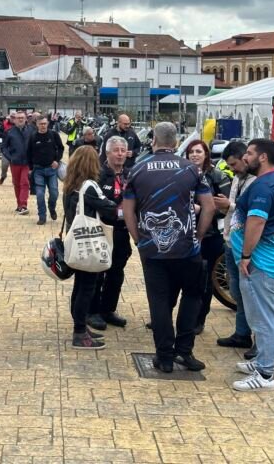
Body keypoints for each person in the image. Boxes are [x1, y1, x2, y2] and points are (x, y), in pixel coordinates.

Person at [123, 122, 215, 374]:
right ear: (176, 143)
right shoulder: (191, 169)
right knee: (192, 297)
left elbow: (128, 211)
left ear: (153, 140)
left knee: (159, 302)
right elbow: (209, 207)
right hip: (187, 248)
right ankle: (184, 351)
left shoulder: (137, 169)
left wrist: (138, 240)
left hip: (152, 249)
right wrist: (198, 236)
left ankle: (164, 357)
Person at [230, 139, 274, 392]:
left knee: (263, 318)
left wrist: (245, 255)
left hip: (261, 262)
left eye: (250, 153)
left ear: (263, 157)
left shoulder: (263, 187)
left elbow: (256, 221)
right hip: (271, 258)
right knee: (266, 315)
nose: (245, 157)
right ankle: (261, 361)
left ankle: (265, 374)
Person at [63, 146, 118, 349]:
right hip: (89, 244)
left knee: (79, 286)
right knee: (87, 288)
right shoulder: (90, 186)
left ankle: (80, 328)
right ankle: (79, 332)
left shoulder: (70, 185)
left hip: (75, 241)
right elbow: (110, 208)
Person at [186, 139, 232, 334]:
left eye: (199, 151)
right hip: (185, 236)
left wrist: (205, 209)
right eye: (191, 152)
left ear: (206, 154)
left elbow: (227, 207)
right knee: (184, 279)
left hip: (210, 236)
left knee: (204, 281)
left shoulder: (217, 176)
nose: (194, 155)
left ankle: (199, 320)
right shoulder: (183, 174)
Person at [215, 141, 256, 353]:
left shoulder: (256, 181)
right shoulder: (237, 178)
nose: (232, 169)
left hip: (244, 244)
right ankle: (242, 333)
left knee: (248, 291)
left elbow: (252, 211)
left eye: (234, 164)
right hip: (231, 241)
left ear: (245, 158)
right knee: (236, 290)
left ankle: (249, 335)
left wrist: (228, 205)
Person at [87, 136, 132, 330]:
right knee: (97, 272)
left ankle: (108, 309)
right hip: (101, 230)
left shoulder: (130, 174)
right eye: (116, 150)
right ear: (107, 153)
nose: (120, 154)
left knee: (116, 273)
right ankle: (92, 311)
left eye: (123, 150)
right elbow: (98, 204)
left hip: (121, 232)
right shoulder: (98, 175)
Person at [27, 115, 64, 225]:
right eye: (41, 124)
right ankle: (42, 216)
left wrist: (57, 160)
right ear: (37, 124)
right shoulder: (33, 137)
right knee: (39, 195)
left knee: (54, 193)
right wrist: (30, 168)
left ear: (47, 124)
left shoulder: (54, 135)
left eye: (44, 123)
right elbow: (28, 153)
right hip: (38, 170)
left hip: (51, 169)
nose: (43, 126)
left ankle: (52, 208)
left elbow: (61, 148)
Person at [0, 111, 32, 215]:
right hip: (15, 162)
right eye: (18, 118)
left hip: (27, 162)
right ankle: (19, 205)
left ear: (26, 119)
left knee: (25, 182)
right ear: (14, 120)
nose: (20, 119)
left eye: (22, 117)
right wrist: (10, 158)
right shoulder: (9, 132)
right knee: (17, 184)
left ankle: (23, 205)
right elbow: (3, 147)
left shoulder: (31, 130)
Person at [0, 111, 15, 185]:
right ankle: (3, 176)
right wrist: (6, 136)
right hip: (6, 148)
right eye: (12, 117)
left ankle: (15, 179)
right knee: (4, 164)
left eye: (14, 117)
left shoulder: (19, 125)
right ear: (9, 117)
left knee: (15, 165)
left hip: (15, 148)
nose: (13, 118)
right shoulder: (4, 124)